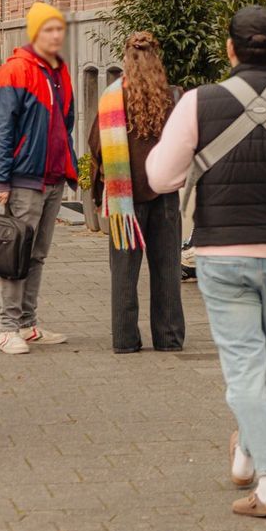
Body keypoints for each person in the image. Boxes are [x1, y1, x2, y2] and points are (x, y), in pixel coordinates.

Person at [146, 6, 266, 519]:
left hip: (223, 252)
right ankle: (249, 452)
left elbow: (161, 177)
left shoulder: (197, 103)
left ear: (229, 50)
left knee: (243, 369)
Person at [0, 2, 78, 355]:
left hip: (53, 177)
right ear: (35, 33)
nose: (57, 35)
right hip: (24, 179)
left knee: (37, 255)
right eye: (49, 29)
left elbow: (65, 122)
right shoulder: (14, 72)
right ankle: (7, 328)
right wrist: (0, 181)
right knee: (16, 255)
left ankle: (27, 324)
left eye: (59, 29)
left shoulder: (60, 71)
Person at [88, 32, 184, 354]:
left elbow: (96, 145)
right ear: (157, 59)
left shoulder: (111, 98)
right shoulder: (171, 97)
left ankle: (125, 339)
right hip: (164, 196)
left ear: (127, 59)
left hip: (123, 199)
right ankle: (168, 338)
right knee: (167, 270)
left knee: (124, 274)